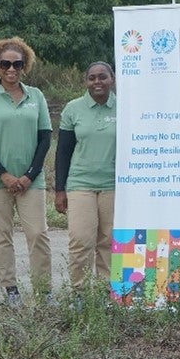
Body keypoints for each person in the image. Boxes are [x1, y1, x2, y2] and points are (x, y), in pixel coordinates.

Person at [0, 36, 53, 307]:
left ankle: (43, 291)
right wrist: (3, 174)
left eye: (17, 63)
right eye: (5, 63)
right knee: (2, 235)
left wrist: (30, 174)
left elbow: (45, 138)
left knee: (38, 234)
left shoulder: (36, 96)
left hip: (32, 180)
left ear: (24, 65)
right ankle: (11, 290)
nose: (11, 69)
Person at [53, 62, 116, 293]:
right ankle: (79, 292)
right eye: (92, 78)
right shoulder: (73, 109)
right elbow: (63, 151)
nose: (97, 82)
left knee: (109, 241)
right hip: (81, 184)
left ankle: (105, 292)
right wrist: (60, 189)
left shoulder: (124, 107)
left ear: (112, 79)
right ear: (86, 81)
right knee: (81, 241)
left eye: (102, 77)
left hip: (113, 185)